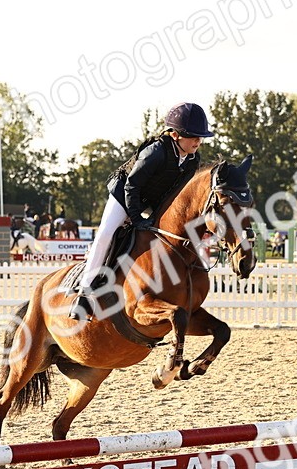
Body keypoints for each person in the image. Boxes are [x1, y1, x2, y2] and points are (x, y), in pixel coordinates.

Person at [68, 102, 214, 321]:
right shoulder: (156, 151)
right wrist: (136, 218)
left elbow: (174, 194)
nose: (198, 141)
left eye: (200, 137)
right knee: (106, 234)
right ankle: (84, 294)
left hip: (150, 200)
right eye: (192, 136)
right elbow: (132, 186)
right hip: (124, 194)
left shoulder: (192, 159)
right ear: (175, 135)